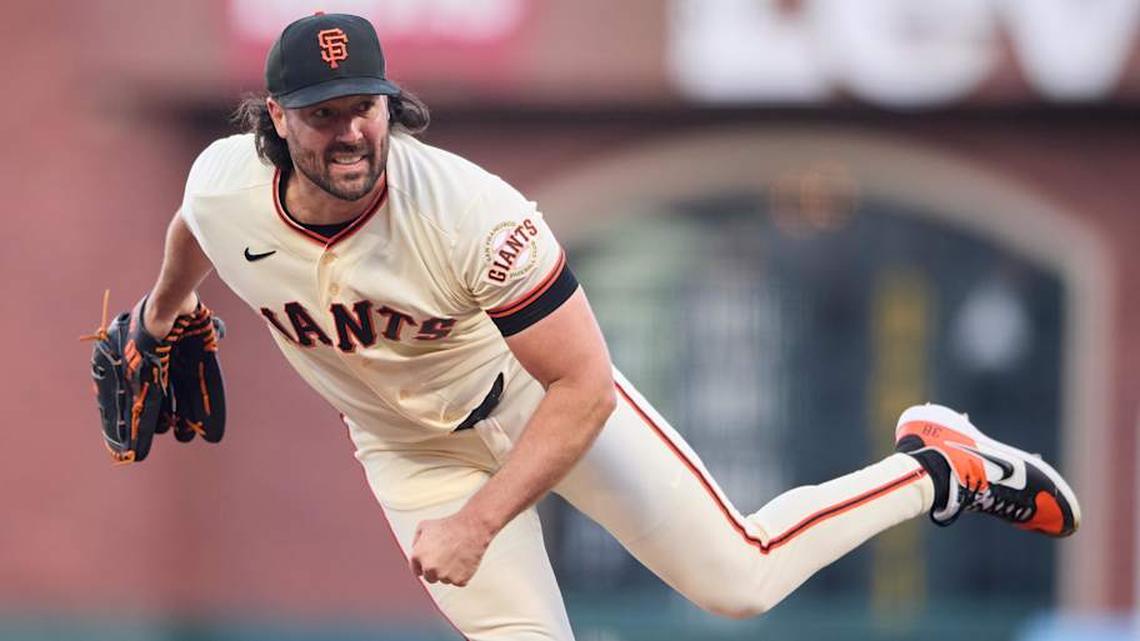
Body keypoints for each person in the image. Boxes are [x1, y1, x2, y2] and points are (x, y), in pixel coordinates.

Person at [134, 12, 1080, 640]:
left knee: (738, 581)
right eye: (323, 114)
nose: (350, 133)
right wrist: (161, 314)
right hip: (408, 454)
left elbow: (582, 385)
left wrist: (480, 519)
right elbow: (195, 230)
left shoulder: (472, 214)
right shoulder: (225, 184)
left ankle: (938, 468)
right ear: (275, 121)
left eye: (365, 108)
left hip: (534, 408)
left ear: (391, 105)